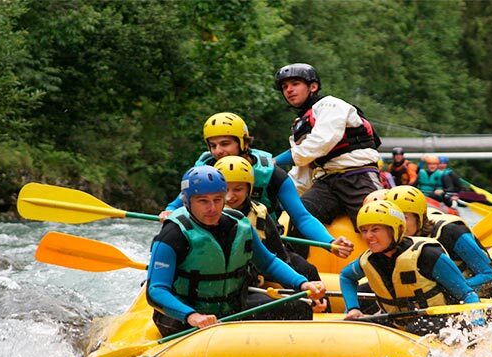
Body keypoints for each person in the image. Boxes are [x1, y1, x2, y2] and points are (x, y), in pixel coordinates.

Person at [146, 165, 326, 336]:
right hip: (183, 316)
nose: (212, 208)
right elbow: (156, 291)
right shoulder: (172, 234)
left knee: (299, 308)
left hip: (231, 309)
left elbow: (268, 262)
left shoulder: (239, 224)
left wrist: (302, 283)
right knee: (206, 331)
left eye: (218, 199)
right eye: (203, 201)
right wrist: (192, 316)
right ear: (187, 201)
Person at [159, 112, 353, 259]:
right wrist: (168, 211)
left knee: (307, 272)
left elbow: (301, 217)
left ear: (243, 142)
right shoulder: (203, 172)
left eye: (225, 143)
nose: (218, 151)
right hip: (209, 244)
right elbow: (178, 204)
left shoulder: (272, 175)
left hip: (263, 244)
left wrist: (329, 243)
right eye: (213, 145)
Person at [339, 200, 483, 336]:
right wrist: (353, 308)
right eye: (364, 231)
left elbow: (467, 295)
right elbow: (346, 277)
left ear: (395, 229)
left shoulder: (427, 254)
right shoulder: (368, 259)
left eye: (375, 229)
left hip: (443, 322)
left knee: (416, 326)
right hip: (399, 322)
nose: (368, 236)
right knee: (354, 324)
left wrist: (477, 327)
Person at [272, 63, 383, 228]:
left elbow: (320, 142)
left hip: (357, 177)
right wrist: (280, 194)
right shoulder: (299, 125)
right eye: (285, 86)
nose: (289, 90)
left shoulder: (330, 105)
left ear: (313, 86)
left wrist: (274, 161)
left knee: (377, 223)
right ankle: (293, 255)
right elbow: (302, 172)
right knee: (298, 216)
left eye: (295, 84)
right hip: (325, 184)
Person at [213, 156, 328, 313]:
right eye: (225, 190)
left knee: (305, 271)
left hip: (251, 277)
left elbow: (276, 259)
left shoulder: (258, 215)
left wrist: (302, 290)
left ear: (249, 189)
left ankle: (321, 308)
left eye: (238, 189)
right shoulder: (204, 218)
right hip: (218, 289)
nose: (229, 196)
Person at [385, 185, 492, 299]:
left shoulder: (450, 232)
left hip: (482, 301)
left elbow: (491, 275)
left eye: (404, 218)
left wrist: (453, 290)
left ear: (419, 217)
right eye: (393, 219)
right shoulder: (394, 242)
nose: (398, 225)